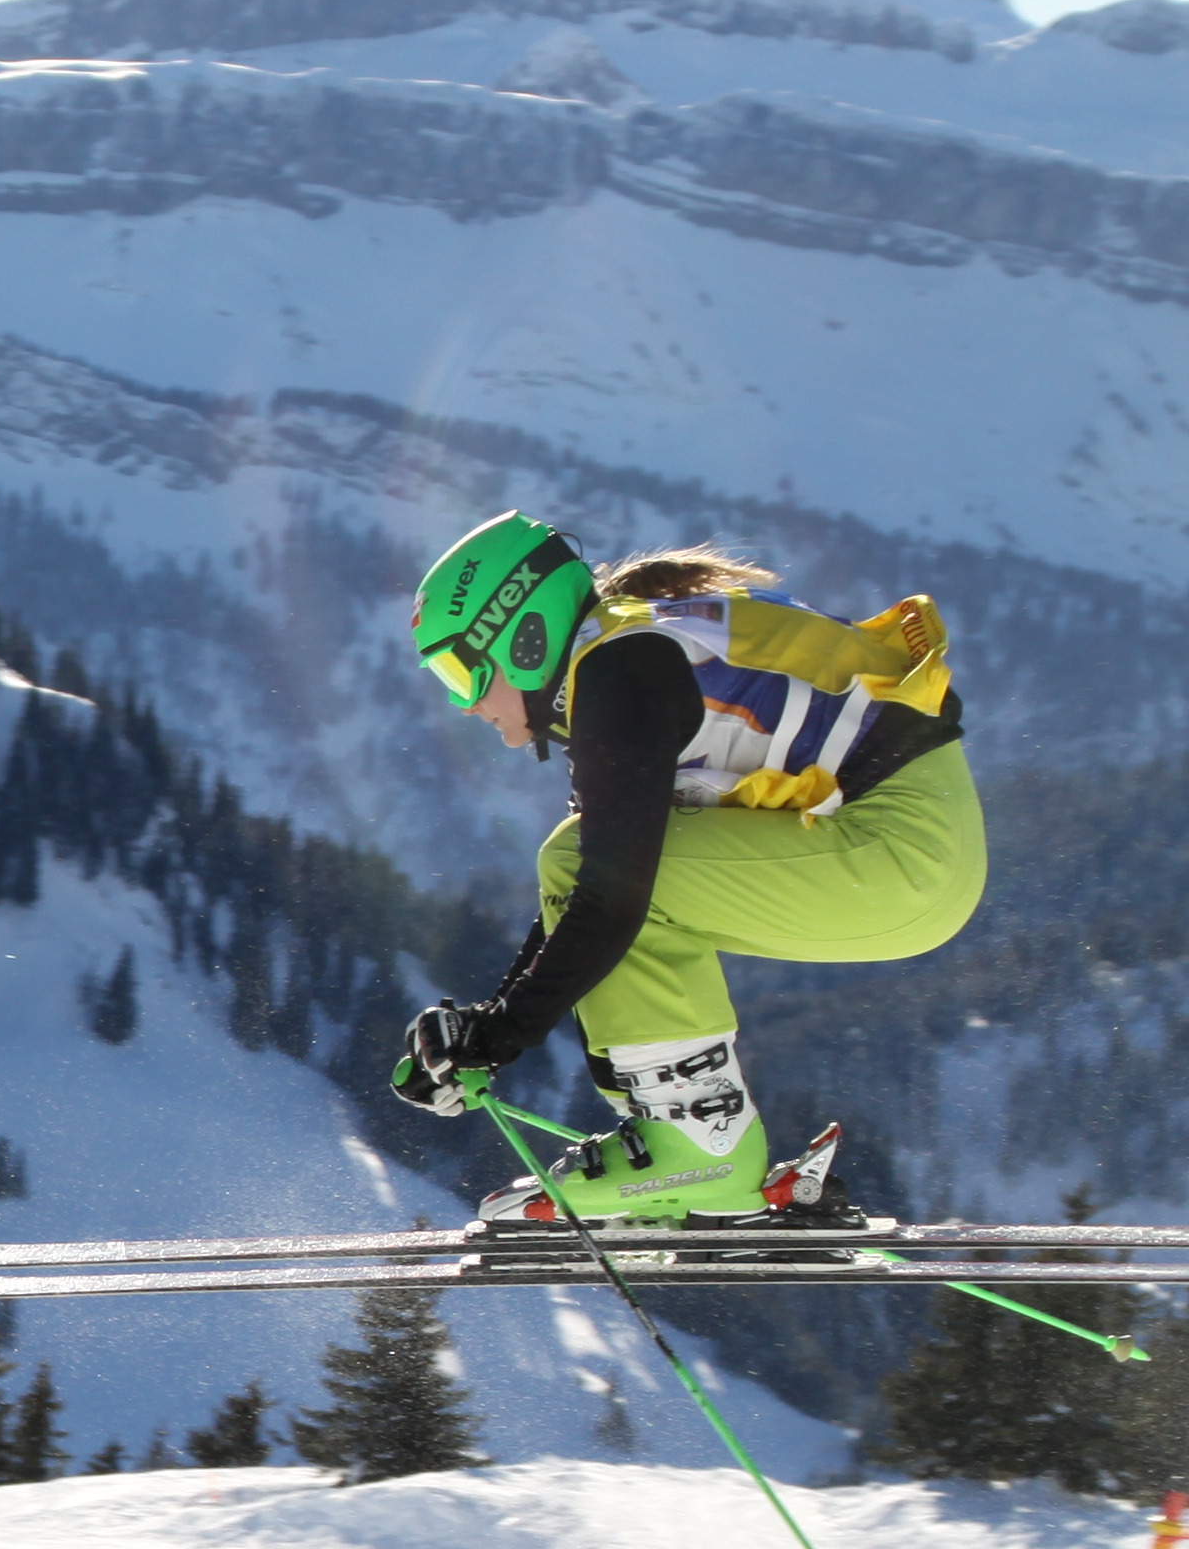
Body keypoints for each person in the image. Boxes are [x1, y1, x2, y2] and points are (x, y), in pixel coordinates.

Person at [390, 516, 973, 1221]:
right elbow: (587, 897)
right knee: (585, 865)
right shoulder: (618, 654)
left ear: (524, 637)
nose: (468, 705)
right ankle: (683, 1148)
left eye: (463, 674)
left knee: (588, 868)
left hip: (897, 855)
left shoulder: (620, 671)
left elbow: (609, 897)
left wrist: (497, 1035)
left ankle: (699, 1149)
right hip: (907, 857)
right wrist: (486, 1031)